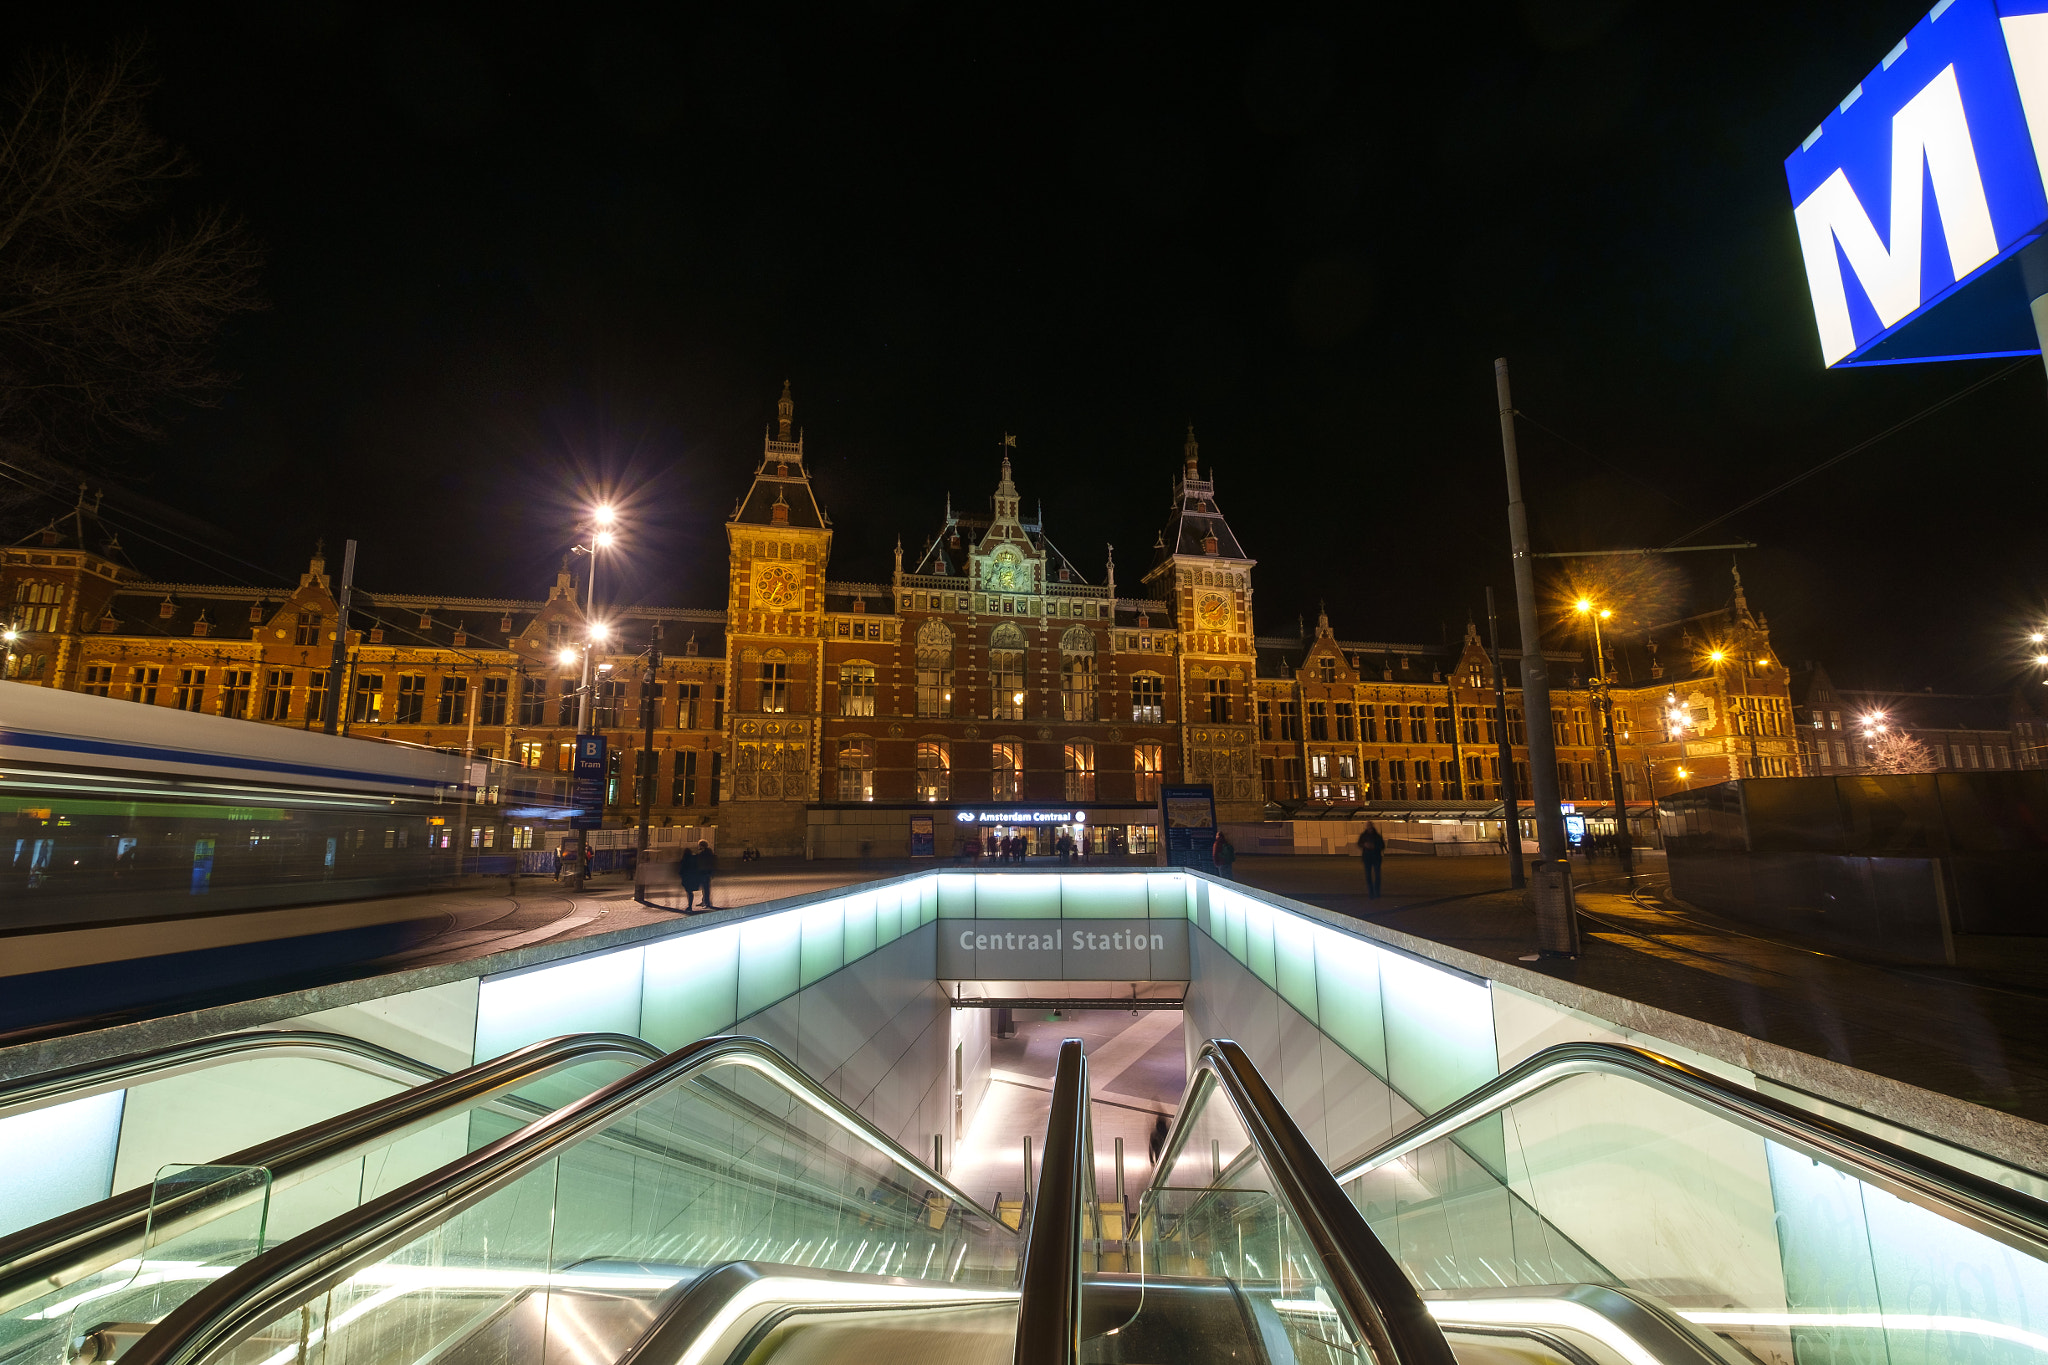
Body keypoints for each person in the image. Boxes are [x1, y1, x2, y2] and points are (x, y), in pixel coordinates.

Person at [1357, 821, 1385, 899]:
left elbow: (1382, 845)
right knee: (1369, 876)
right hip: (1368, 858)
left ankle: (1376, 892)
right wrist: (1364, 845)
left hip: (1375, 858)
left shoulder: (1377, 836)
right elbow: (1359, 843)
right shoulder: (1365, 835)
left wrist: (1374, 846)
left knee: (1377, 876)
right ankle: (1371, 893)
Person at [694, 840, 718, 909]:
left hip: (705, 872)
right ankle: (704, 901)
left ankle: (707, 903)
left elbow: (702, 860)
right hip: (705, 872)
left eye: (699, 845)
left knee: (706, 889)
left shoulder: (706, 853)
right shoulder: (706, 852)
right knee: (704, 889)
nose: (698, 847)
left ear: (702, 846)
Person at [678, 844, 699, 911]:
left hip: (686, 877)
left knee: (688, 892)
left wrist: (681, 875)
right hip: (692, 877)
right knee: (690, 892)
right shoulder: (693, 858)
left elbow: (682, 869)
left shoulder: (684, 859)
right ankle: (690, 905)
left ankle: (689, 906)